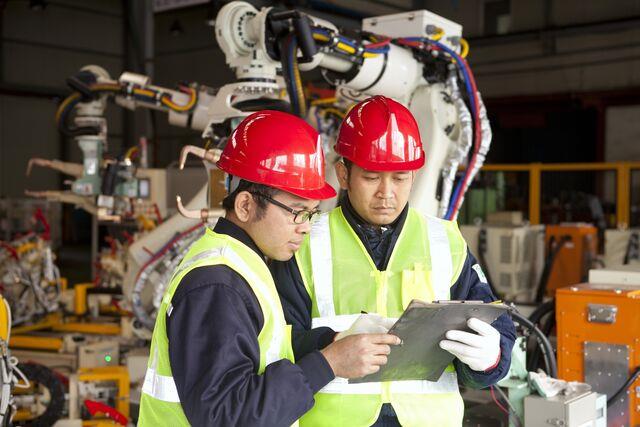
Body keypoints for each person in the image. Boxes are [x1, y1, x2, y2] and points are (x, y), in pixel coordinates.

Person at [138, 110, 401, 426]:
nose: (305, 227)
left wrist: (325, 342)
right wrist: (328, 363)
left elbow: (255, 353)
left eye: (312, 214)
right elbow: (227, 417)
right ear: (246, 205)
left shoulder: (242, 265)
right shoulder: (217, 284)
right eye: (297, 212)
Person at [271, 96, 517, 427]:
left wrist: (491, 359)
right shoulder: (305, 241)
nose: (387, 193)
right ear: (343, 174)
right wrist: (330, 343)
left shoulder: (444, 240)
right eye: (372, 177)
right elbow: (274, 340)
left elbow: (493, 326)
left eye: (400, 178)